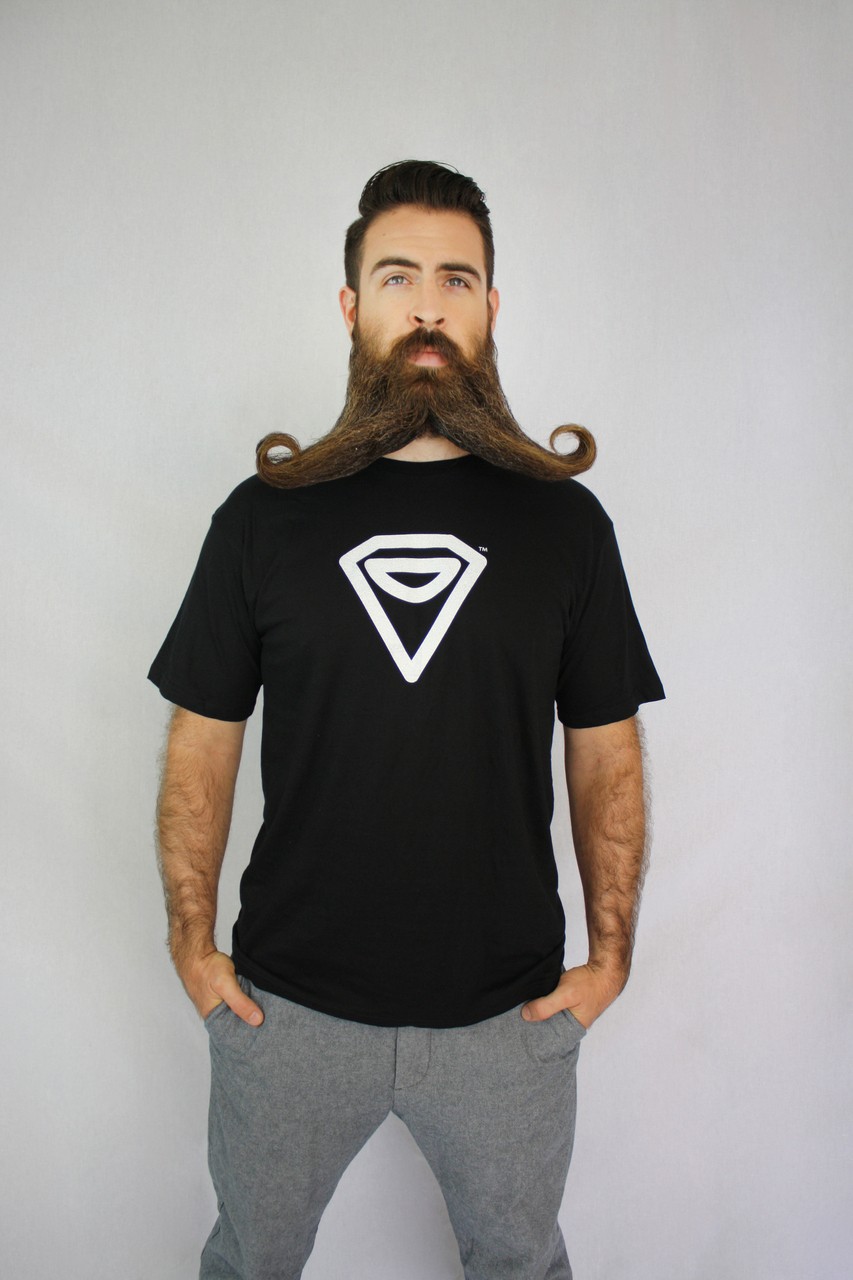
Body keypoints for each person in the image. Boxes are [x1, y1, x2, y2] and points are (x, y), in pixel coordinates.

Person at [149, 159, 665, 1280]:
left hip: (506, 1018)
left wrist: (610, 956)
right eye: (397, 278)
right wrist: (192, 943)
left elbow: (605, 748)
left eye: (454, 280)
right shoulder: (261, 522)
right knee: (250, 1262)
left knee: (520, 1264)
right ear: (351, 305)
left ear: (490, 306)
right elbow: (203, 739)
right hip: (286, 1007)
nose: (427, 306)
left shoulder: (565, 527)